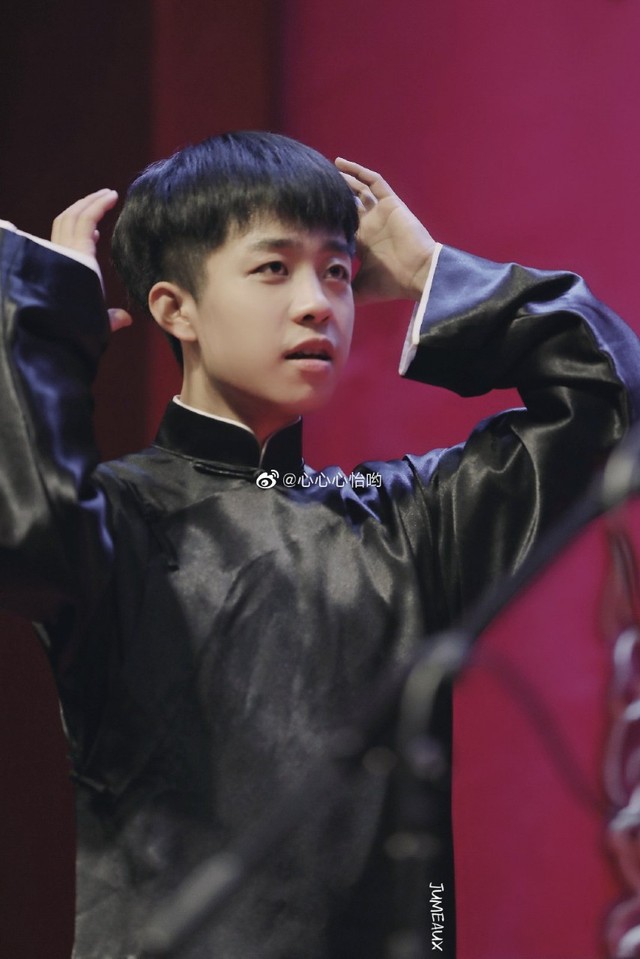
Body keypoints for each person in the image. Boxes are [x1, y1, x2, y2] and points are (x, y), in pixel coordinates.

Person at [1, 131, 638, 959]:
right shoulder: (112, 518)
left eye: (336, 271)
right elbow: (26, 526)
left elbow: (611, 400)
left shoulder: (408, 520)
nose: (317, 303)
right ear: (174, 308)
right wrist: (43, 315)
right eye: (274, 268)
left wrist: (431, 272)